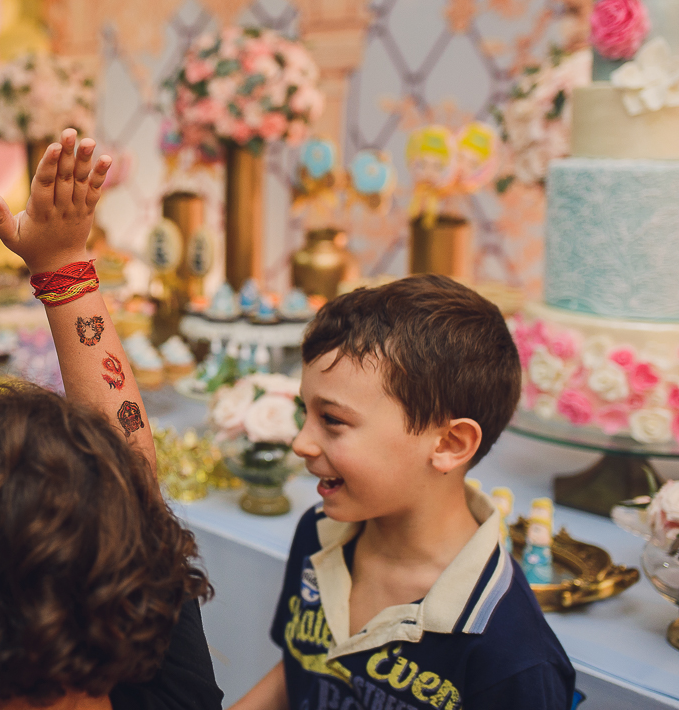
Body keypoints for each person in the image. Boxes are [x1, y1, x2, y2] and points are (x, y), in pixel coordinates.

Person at [0, 130, 224, 710]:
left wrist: (62, 265)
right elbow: (131, 473)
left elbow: (130, 476)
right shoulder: (158, 667)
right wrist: (63, 265)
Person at [230, 275, 577, 710]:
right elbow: (301, 665)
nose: (300, 443)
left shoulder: (515, 656)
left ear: (449, 444)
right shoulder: (318, 534)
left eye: (332, 420)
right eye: (306, 411)